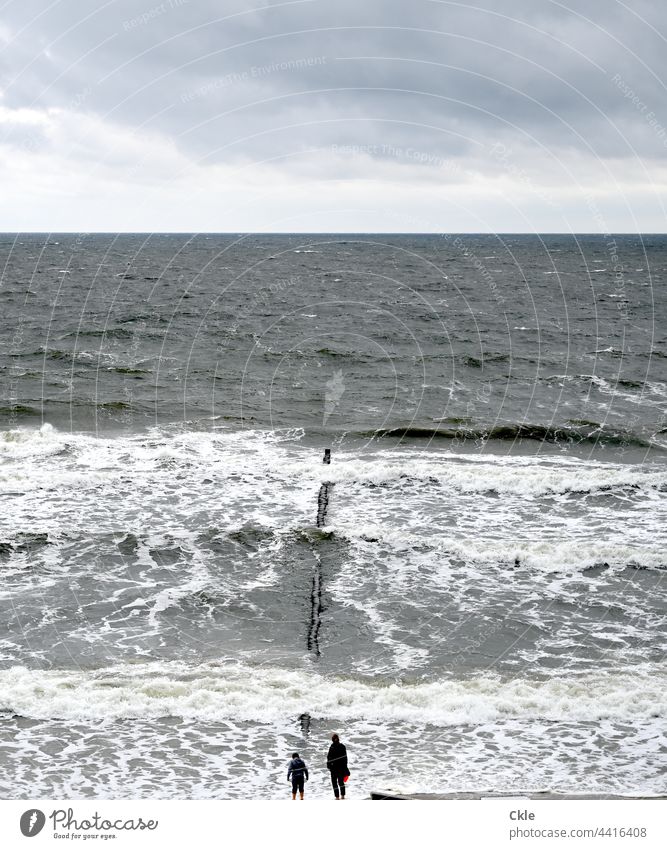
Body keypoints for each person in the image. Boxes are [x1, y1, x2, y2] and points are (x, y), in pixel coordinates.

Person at [326, 733, 349, 799]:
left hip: (334, 769)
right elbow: (345, 758)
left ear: (332, 740)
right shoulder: (342, 746)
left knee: (334, 783)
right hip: (341, 768)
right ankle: (342, 796)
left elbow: (329, 758)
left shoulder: (332, 747)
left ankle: (337, 797)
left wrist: (329, 766)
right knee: (341, 782)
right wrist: (345, 767)